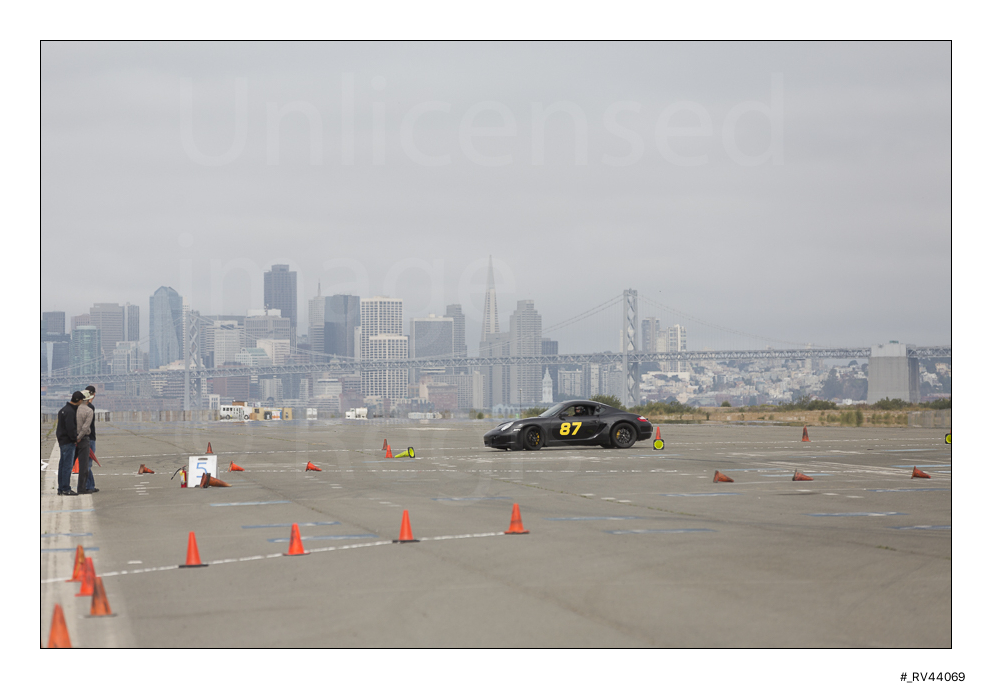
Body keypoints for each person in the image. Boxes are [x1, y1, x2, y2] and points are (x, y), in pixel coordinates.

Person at [56, 392, 85, 496]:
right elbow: (70, 428)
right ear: (79, 400)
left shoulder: (63, 410)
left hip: (62, 441)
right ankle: (66, 488)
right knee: (67, 466)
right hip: (68, 442)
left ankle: (61, 488)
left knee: (62, 465)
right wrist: (75, 439)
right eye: (82, 400)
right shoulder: (70, 412)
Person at [75, 390, 94, 494]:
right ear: (88, 399)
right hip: (83, 439)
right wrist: (80, 437)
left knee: (69, 464)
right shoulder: (89, 410)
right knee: (84, 466)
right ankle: (81, 488)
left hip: (72, 439)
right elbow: (86, 427)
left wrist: (75, 437)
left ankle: (64, 487)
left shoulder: (75, 408)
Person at [83, 385, 99, 493]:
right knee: (87, 464)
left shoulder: (82, 407)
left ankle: (90, 485)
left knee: (86, 464)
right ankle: (88, 486)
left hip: (86, 438)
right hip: (89, 438)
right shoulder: (90, 407)